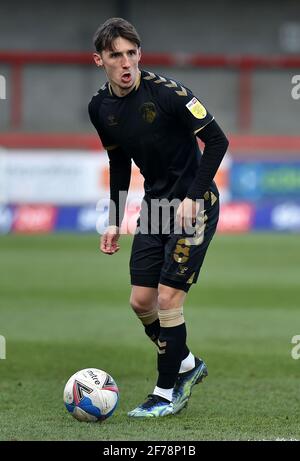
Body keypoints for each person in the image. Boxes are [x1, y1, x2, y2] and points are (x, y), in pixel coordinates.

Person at [88, 17, 229, 417]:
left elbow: (218, 140)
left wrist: (192, 195)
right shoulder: (100, 108)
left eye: (132, 53)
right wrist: (114, 217)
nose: (126, 63)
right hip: (155, 207)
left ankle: (166, 392)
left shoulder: (169, 94)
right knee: (141, 301)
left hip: (194, 205)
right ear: (99, 60)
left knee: (168, 298)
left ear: (139, 55)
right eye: (116, 55)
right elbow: (117, 161)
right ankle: (186, 363)